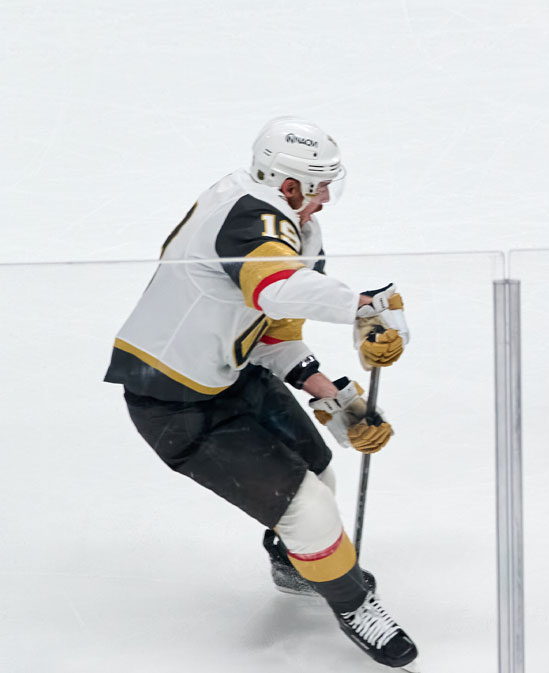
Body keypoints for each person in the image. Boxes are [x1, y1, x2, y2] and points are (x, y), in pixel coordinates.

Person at [104, 117, 418, 668]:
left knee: (317, 469)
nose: (323, 199)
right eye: (317, 186)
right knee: (311, 511)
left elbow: (273, 336)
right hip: (170, 400)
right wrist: (363, 305)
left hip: (230, 375)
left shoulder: (294, 227)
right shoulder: (249, 212)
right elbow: (277, 291)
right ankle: (353, 604)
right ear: (288, 183)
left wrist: (338, 398)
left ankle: (296, 563)